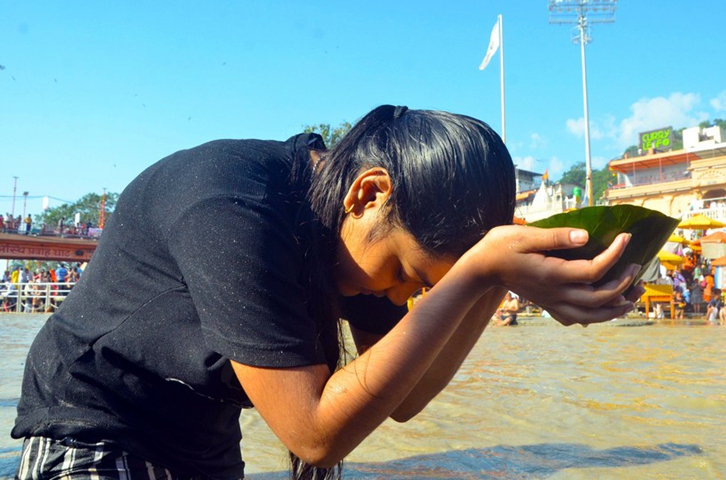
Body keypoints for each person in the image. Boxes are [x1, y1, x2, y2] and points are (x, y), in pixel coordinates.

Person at [12, 105, 642, 480]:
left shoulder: (367, 241)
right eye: (409, 277)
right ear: (369, 194)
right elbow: (312, 432)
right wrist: (476, 275)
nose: (399, 299)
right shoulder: (230, 209)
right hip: (95, 425)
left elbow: (405, 398)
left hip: (201, 435)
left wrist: (491, 279)